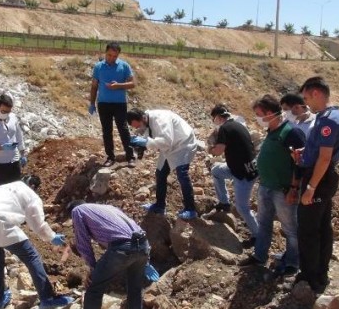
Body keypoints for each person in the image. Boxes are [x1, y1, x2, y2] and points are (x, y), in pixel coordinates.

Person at [0, 175, 73, 309]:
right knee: (31, 256)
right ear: (33, 186)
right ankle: (48, 298)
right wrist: (52, 236)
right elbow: (37, 223)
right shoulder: (29, 193)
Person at [239, 95, 305, 277]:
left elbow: (300, 163)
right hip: (266, 186)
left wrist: (294, 188)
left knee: (290, 228)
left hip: (283, 190)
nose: (258, 119)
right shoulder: (272, 131)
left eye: (259, 115)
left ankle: (292, 263)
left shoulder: (291, 133)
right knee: (264, 224)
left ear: (269, 113)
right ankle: (260, 256)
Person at [294, 77, 339, 293]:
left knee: (308, 230)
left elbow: (325, 158)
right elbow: (321, 152)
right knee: (323, 227)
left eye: (306, 98)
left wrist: (310, 188)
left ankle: (310, 277)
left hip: (319, 178)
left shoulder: (328, 121)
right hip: (323, 176)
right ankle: (321, 273)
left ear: (316, 93)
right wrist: (305, 154)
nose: (306, 103)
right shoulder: (336, 116)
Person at [65, 201, 149, 309]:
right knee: (135, 287)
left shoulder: (77, 210)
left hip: (123, 248)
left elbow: (83, 242)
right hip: (144, 245)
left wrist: (92, 268)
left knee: (94, 288)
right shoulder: (108, 208)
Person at [127, 108, 198, 220]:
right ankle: (160, 205)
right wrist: (140, 144)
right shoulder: (147, 121)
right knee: (160, 173)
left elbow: (166, 140)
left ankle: (191, 209)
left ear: (142, 118)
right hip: (170, 148)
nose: (138, 128)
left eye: (138, 125)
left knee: (182, 174)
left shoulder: (160, 119)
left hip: (184, 144)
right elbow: (151, 138)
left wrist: (145, 142)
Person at [204, 104, 259, 248]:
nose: (214, 122)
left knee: (242, 208)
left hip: (243, 173)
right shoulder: (238, 125)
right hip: (243, 167)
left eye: (214, 118)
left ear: (219, 117)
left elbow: (219, 150)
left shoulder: (224, 128)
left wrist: (210, 149)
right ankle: (224, 203)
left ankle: (258, 236)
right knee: (216, 171)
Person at [89, 42, 136, 168]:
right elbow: (94, 86)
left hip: (120, 103)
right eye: (109, 55)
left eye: (114, 56)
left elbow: (132, 83)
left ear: (118, 55)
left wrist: (119, 86)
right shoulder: (98, 67)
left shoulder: (124, 66)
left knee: (123, 129)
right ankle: (110, 157)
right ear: (105, 53)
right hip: (103, 104)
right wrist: (91, 103)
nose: (111, 58)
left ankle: (130, 156)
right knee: (107, 131)